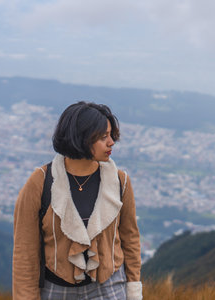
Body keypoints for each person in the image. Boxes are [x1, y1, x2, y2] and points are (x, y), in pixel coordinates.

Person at [13, 102, 142, 300]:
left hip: (110, 287)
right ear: (80, 138)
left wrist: (133, 289)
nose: (111, 143)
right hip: (56, 290)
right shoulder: (40, 182)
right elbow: (25, 251)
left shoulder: (119, 181)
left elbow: (130, 239)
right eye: (102, 137)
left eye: (111, 135)